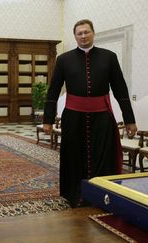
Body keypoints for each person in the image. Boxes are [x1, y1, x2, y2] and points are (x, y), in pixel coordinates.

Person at [43, 19, 137, 208]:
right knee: (73, 156)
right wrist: (48, 119)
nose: (83, 36)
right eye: (79, 33)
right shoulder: (64, 60)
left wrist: (129, 120)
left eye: (87, 32)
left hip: (101, 118)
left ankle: (103, 194)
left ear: (93, 33)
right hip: (73, 117)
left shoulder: (109, 57)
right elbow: (53, 90)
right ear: (75, 36)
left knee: (103, 156)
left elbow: (120, 90)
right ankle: (74, 194)